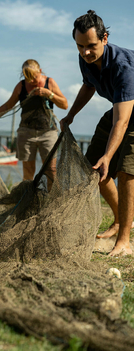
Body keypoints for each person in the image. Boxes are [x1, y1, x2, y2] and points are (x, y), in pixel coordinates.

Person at [60, 10, 134, 256]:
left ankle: (124, 240)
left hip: (128, 115)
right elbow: (89, 85)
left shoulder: (123, 67)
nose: (85, 52)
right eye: (80, 47)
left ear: (105, 38)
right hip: (118, 110)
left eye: (91, 46)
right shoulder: (86, 58)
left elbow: (122, 123)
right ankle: (119, 220)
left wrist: (109, 155)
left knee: (125, 171)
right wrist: (71, 115)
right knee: (93, 168)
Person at [0, 59, 68, 184]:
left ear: (40, 71)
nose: (31, 81)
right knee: (28, 172)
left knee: (51, 170)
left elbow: (65, 105)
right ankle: (29, 201)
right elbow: (7, 106)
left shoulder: (50, 82)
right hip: (26, 133)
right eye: (28, 78)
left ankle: (51, 202)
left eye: (34, 77)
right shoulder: (21, 86)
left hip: (48, 133)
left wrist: (49, 94)